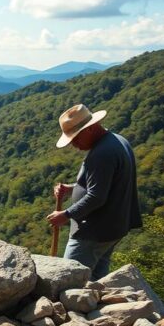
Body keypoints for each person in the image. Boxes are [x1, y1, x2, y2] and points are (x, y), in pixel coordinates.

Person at [46, 104, 141, 279]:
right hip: (112, 227)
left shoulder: (102, 154)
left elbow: (97, 196)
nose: (73, 144)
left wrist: (66, 214)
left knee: (70, 278)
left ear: (89, 129)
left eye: (75, 138)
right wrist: (72, 189)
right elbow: (107, 185)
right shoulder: (117, 141)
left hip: (93, 231)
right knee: (97, 277)